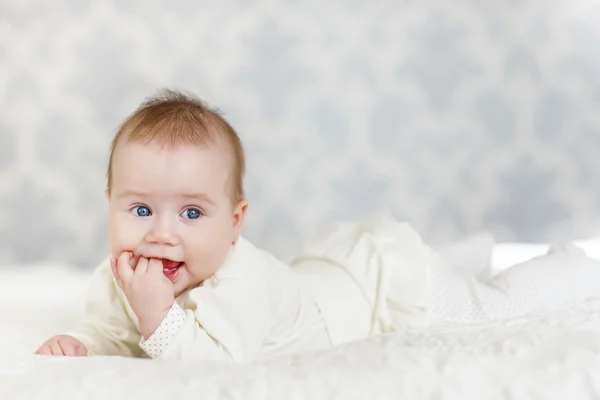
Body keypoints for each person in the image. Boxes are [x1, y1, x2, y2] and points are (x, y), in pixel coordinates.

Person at [35, 89, 331, 362]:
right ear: (110, 205)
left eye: (191, 213)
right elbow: (115, 334)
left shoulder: (241, 281)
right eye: (142, 210)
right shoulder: (122, 275)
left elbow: (217, 365)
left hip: (334, 314)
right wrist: (82, 344)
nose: (162, 235)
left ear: (234, 221)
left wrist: (159, 316)